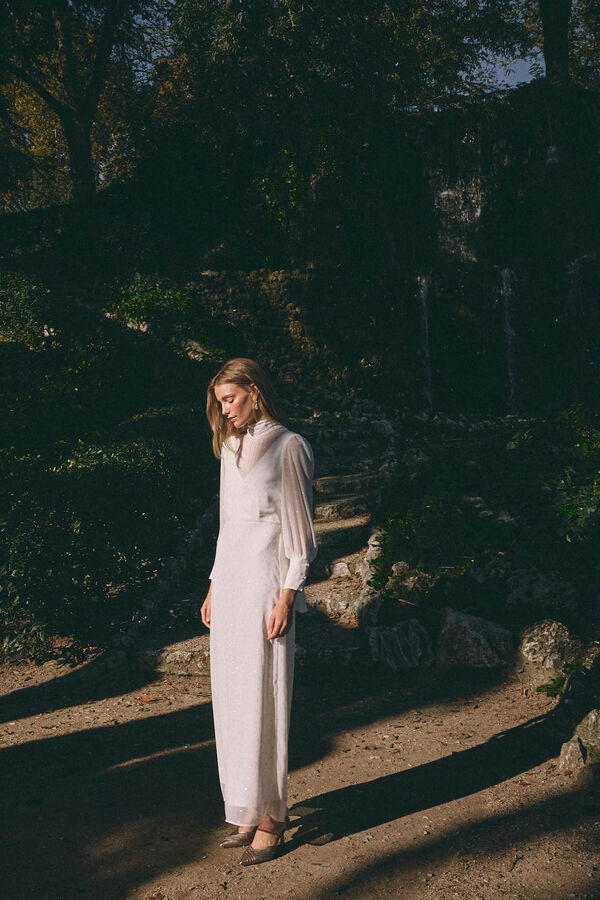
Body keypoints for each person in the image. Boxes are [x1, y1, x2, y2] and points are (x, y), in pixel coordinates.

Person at [202, 357, 317, 866]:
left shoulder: (289, 446)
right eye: (220, 402)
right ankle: (247, 806)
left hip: (266, 584)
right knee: (231, 695)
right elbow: (228, 525)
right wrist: (211, 585)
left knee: (265, 694)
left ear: (255, 391)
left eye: (231, 398)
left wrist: (288, 594)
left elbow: (301, 535)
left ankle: (274, 816)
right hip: (229, 583)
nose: (225, 411)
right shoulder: (230, 447)